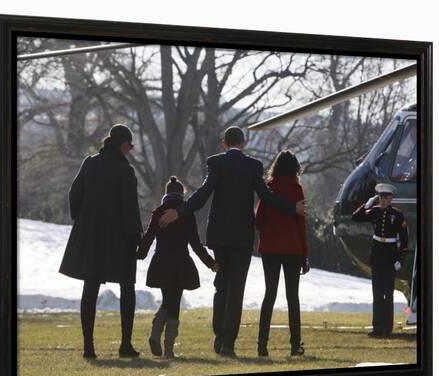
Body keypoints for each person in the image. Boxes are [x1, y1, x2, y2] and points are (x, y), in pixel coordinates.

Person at [159, 126, 305, 357]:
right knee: (237, 288)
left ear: (224, 143)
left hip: (220, 235)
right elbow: (267, 197)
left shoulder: (216, 163)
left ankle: (218, 336)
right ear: (243, 143)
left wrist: (180, 211)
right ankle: (228, 342)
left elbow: (204, 192)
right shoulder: (253, 166)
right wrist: (292, 208)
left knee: (221, 286)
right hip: (242, 236)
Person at [59, 124, 143, 359]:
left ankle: (89, 347)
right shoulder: (126, 171)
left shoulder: (90, 162)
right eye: (129, 145)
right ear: (123, 144)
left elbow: (74, 194)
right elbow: (130, 207)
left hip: (91, 234)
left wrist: (81, 219)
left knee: (90, 288)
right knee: (127, 288)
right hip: (119, 237)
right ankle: (125, 345)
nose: (130, 150)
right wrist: (137, 237)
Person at [137, 176, 219, 358]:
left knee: (168, 299)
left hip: (161, 263)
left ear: (166, 194)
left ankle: (156, 332)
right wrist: (211, 263)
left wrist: (138, 254)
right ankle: (168, 348)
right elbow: (196, 245)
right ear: (182, 194)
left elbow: (149, 238)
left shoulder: (158, 212)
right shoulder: (186, 214)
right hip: (181, 264)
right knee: (174, 302)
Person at [254, 150, 309, 357]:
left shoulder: (269, 189)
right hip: (293, 248)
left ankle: (262, 345)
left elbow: (258, 221)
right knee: (292, 297)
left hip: (270, 248)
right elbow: (301, 224)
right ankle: (295, 345)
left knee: (270, 294)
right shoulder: (297, 190)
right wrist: (305, 254)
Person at [352, 183, 408, 338]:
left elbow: (404, 240)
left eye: (386, 197)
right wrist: (367, 205)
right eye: (381, 197)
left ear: (391, 199)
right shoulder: (374, 211)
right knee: (377, 293)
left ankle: (387, 328)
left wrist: (400, 260)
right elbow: (355, 217)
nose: (383, 200)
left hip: (390, 257)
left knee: (387, 294)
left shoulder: (397, 215)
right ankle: (377, 328)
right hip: (377, 257)